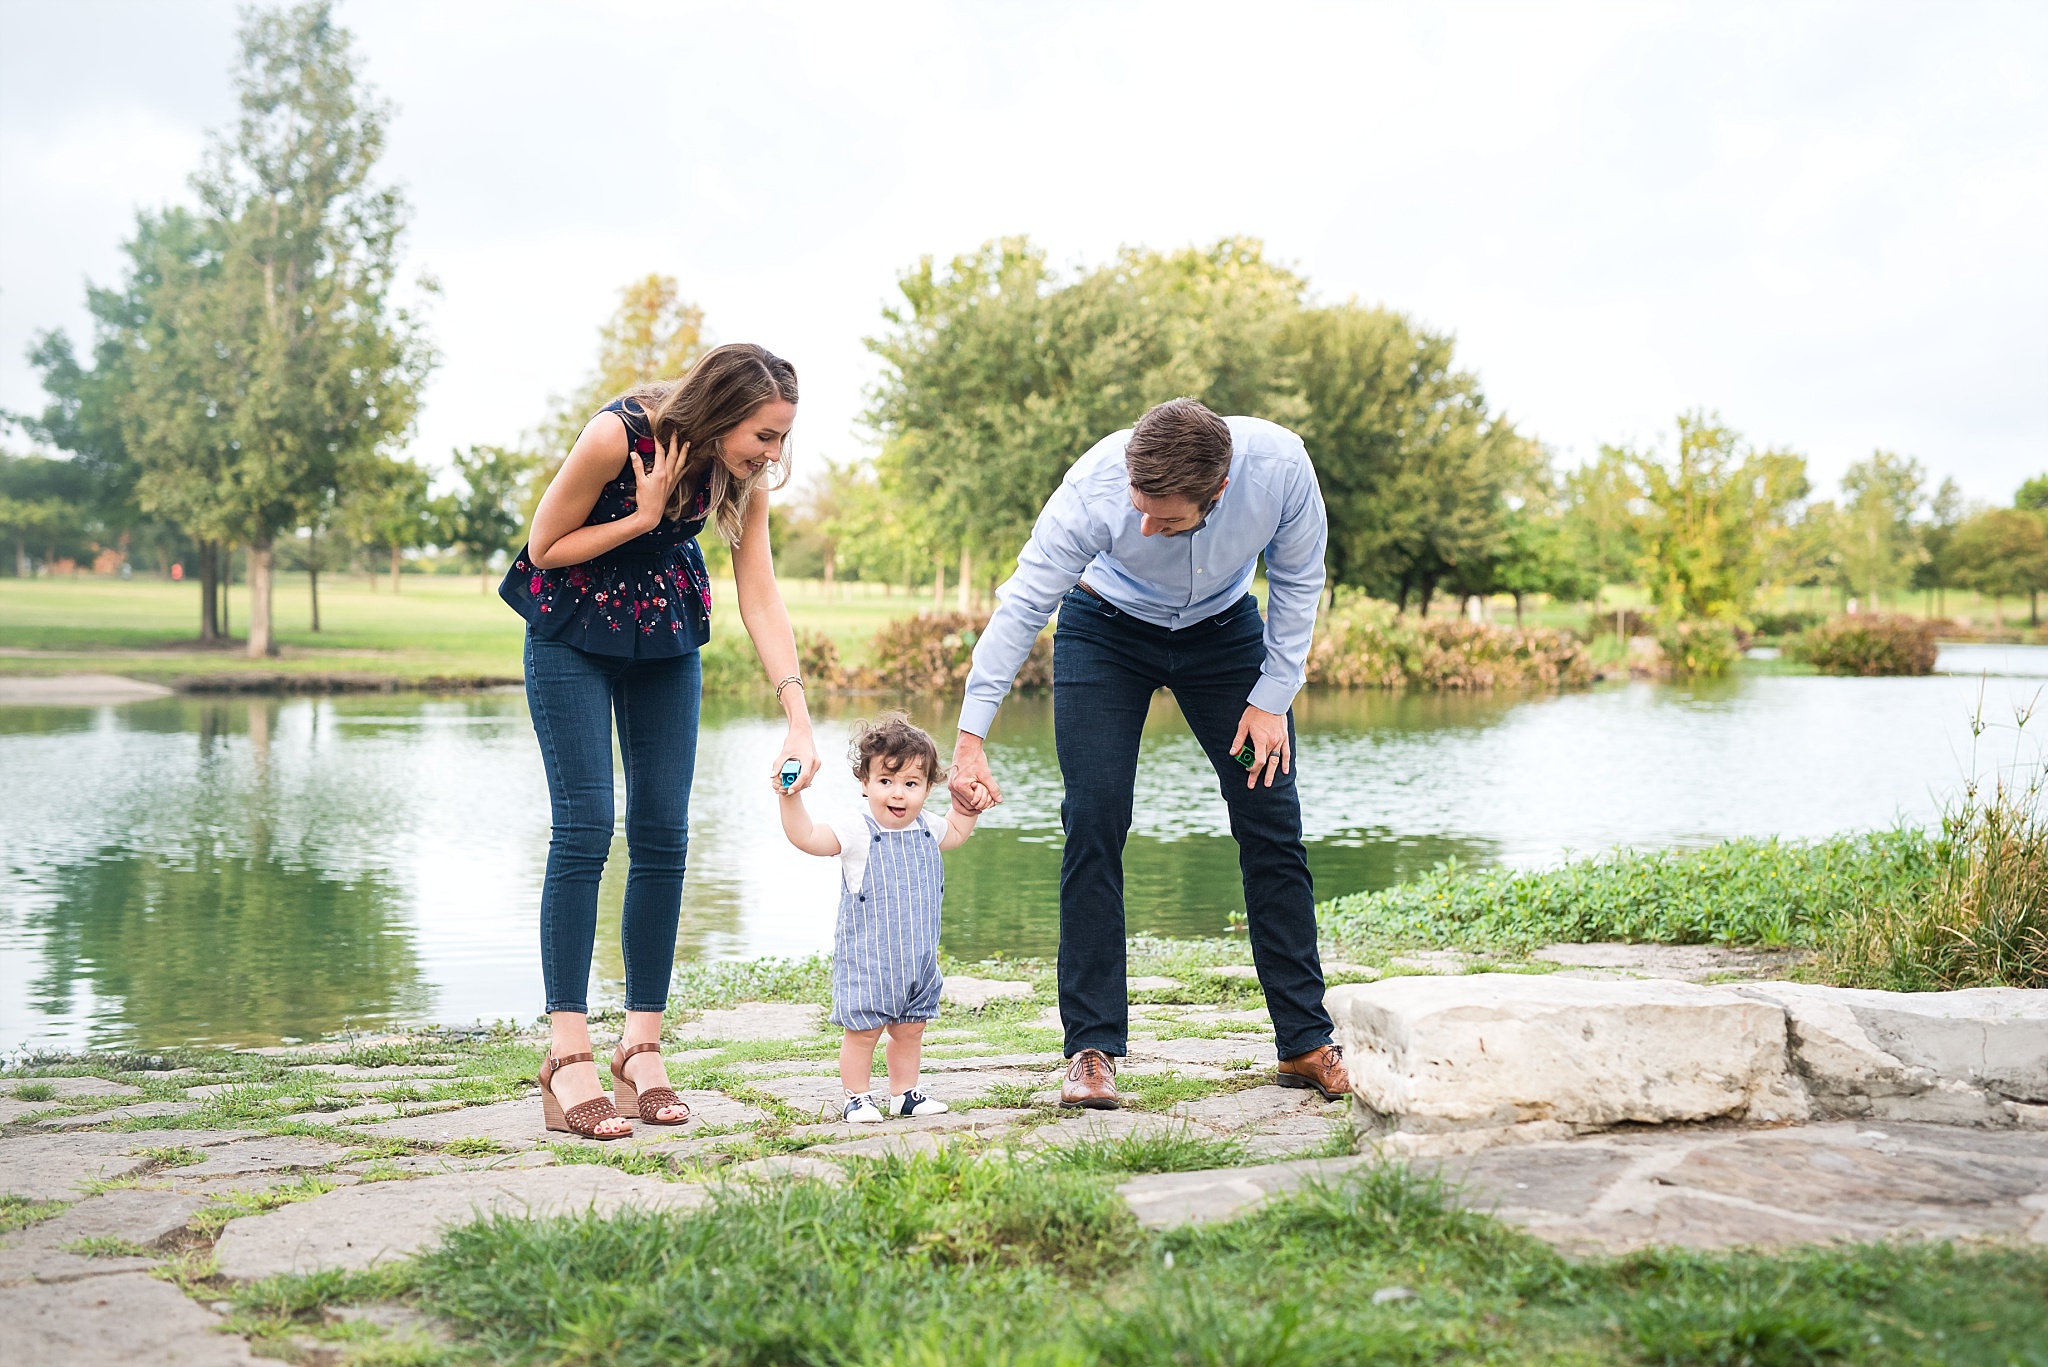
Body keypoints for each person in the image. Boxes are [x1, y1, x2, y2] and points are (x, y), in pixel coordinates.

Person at [949, 397, 1350, 1110]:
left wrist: (1273, 697)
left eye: (1163, 517)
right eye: (1138, 506)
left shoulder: (1282, 470)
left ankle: (1303, 1039)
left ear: (1217, 494)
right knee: (1095, 817)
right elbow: (1022, 604)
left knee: (1271, 820)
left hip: (1224, 632)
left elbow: (1297, 581)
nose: (1143, 525)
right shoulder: (1093, 489)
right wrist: (971, 735)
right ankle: (1091, 1049)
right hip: (1106, 626)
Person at [502, 342, 822, 1140]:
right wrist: (643, 518)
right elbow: (544, 546)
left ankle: (640, 1047)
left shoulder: (740, 476)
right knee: (584, 827)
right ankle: (567, 1055)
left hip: (663, 632)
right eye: (764, 435)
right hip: (572, 629)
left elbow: (760, 592)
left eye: (782, 436)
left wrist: (798, 713)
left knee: (663, 834)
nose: (773, 454)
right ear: (719, 413)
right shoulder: (617, 436)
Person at [777, 714, 981, 1123]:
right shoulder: (855, 829)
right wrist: (790, 796)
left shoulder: (927, 826)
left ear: (927, 788)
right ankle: (858, 1096)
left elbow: (957, 833)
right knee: (863, 1033)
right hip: (869, 963)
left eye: (911, 784)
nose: (898, 794)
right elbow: (806, 838)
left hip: (918, 960)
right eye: (885, 781)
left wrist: (969, 805)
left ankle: (904, 1093)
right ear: (865, 783)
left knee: (911, 1030)